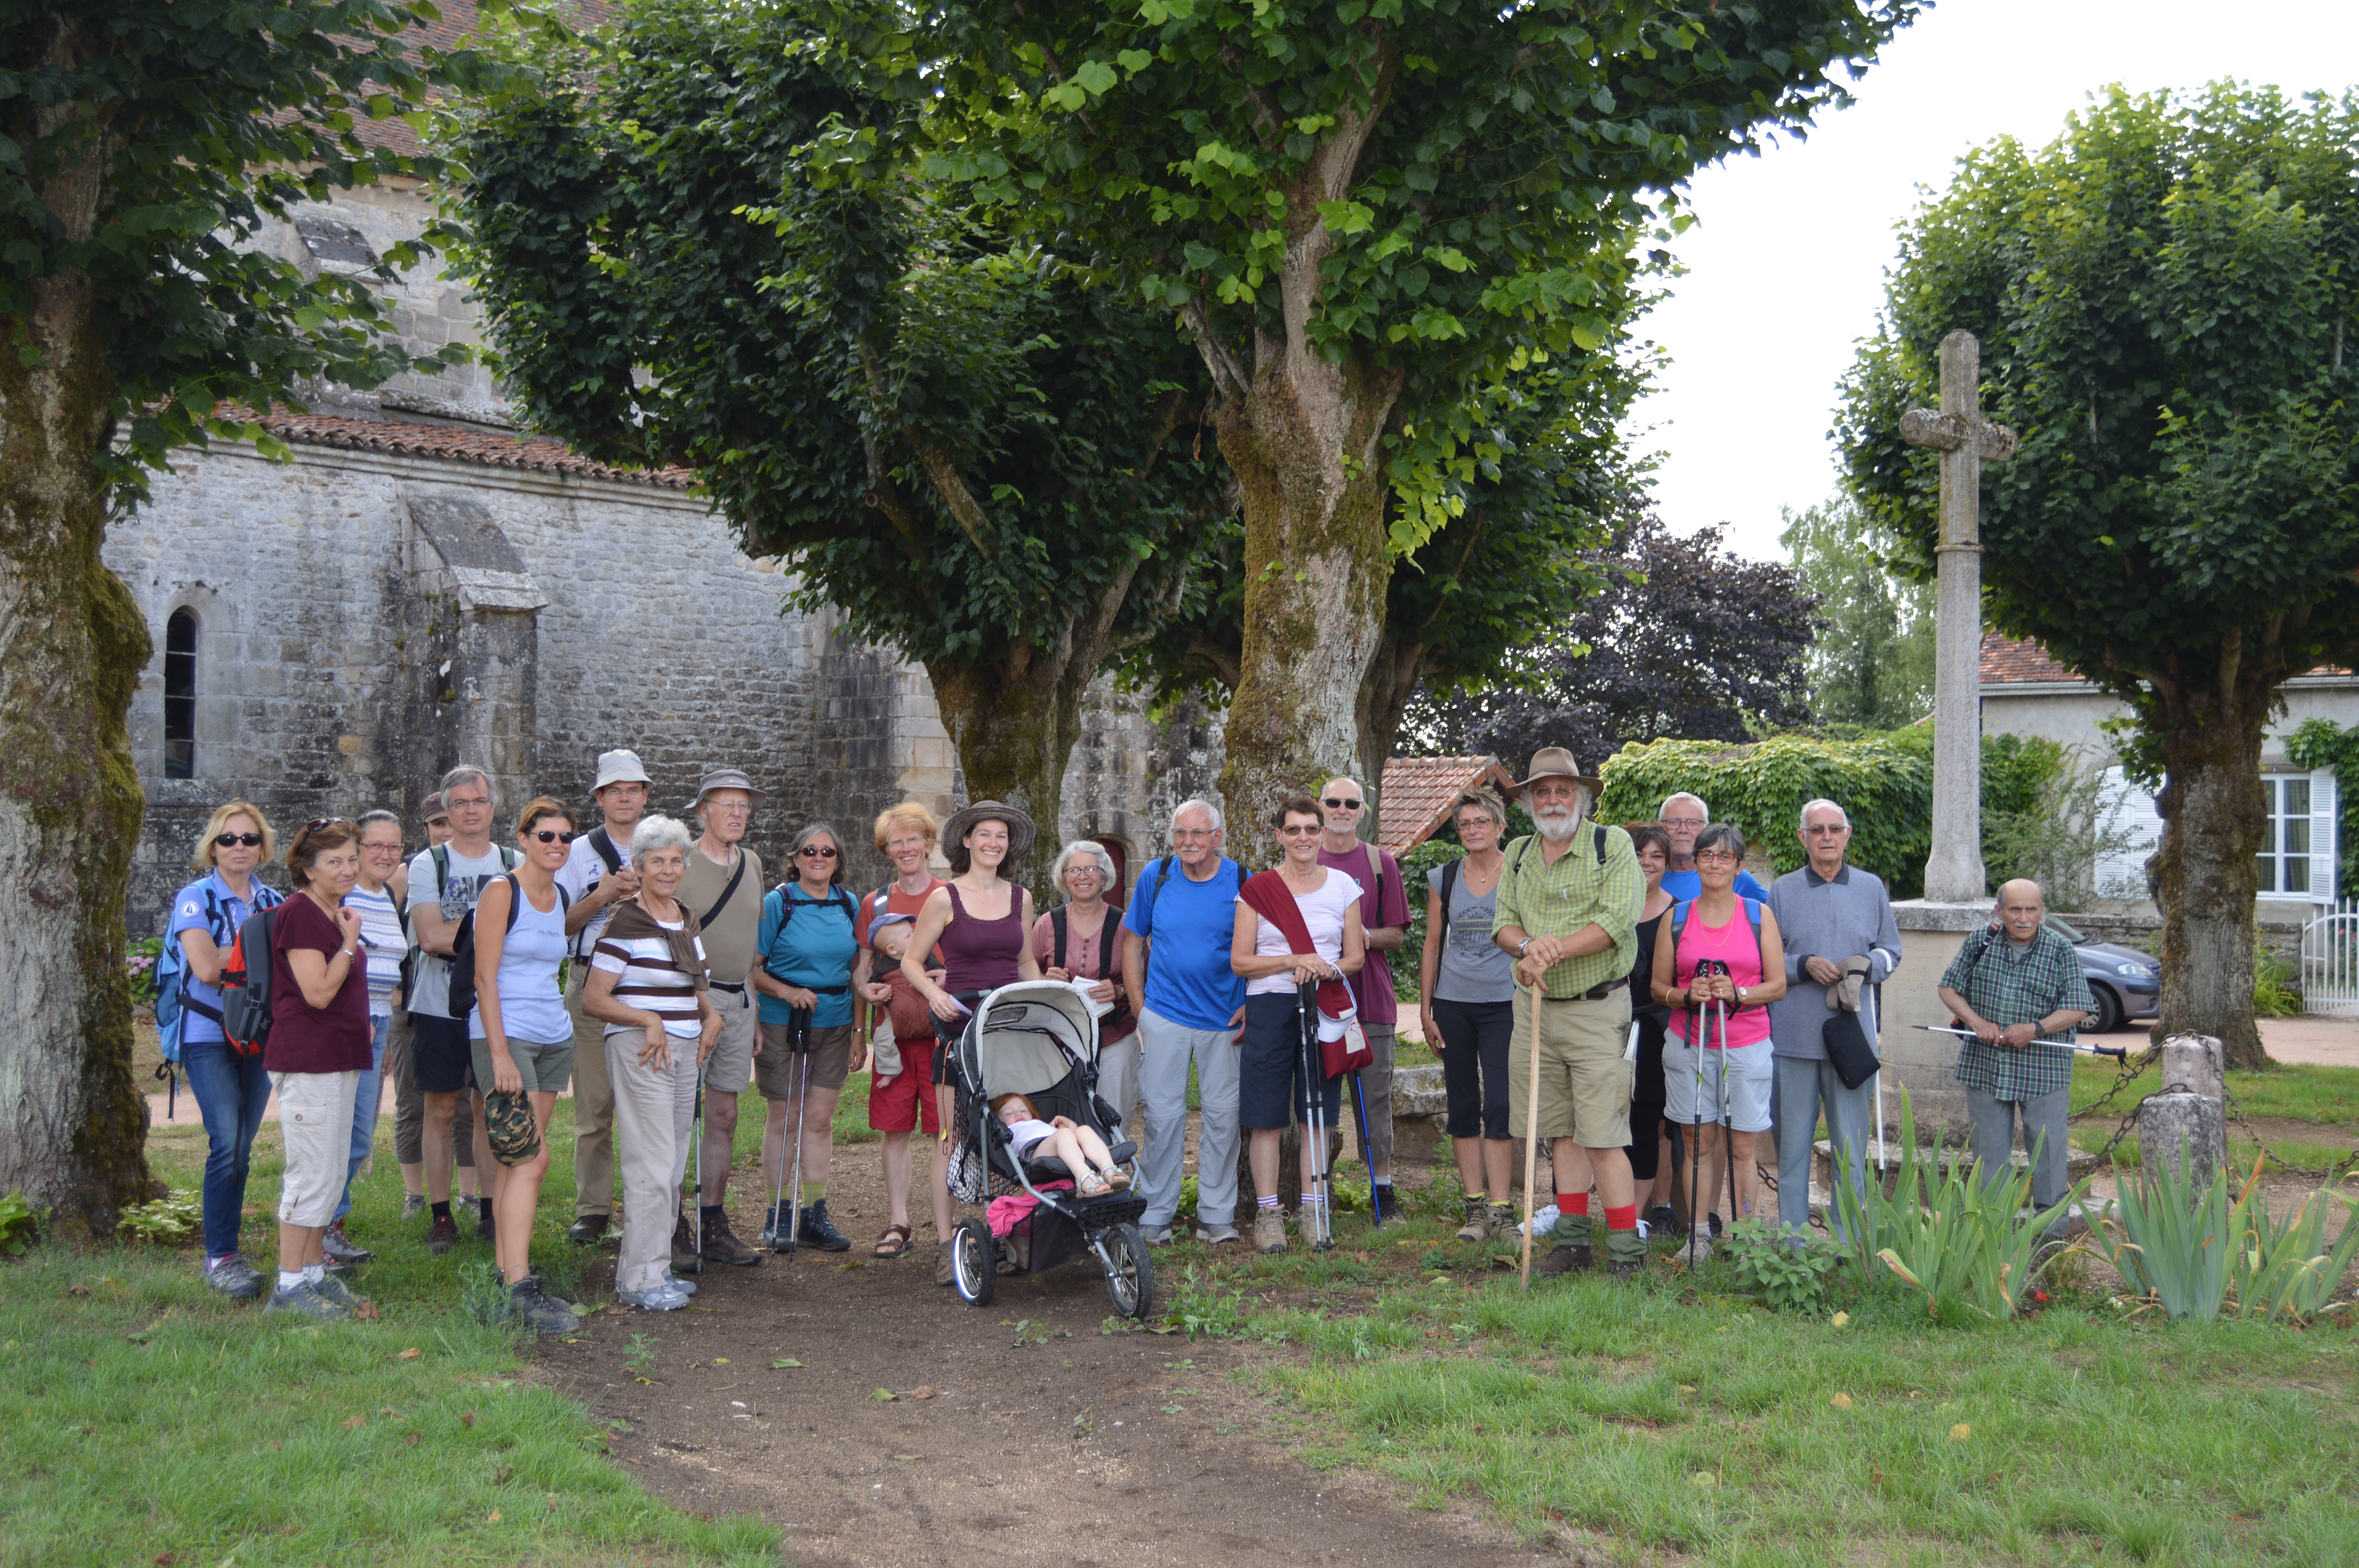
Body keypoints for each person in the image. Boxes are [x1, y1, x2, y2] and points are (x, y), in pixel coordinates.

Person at [1491, 748, 1647, 1279]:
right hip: (1535, 1010)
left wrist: (1550, 950)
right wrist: (1527, 946)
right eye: (1542, 791)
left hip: (1597, 1009)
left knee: (1602, 1134)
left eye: (1563, 790)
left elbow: (1618, 920)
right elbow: (1503, 924)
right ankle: (1574, 1244)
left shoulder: (1612, 844)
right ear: (1529, 801)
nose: (1553, 800)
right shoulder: (1517, 852)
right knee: (1559, 1132)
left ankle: (1626, 1250)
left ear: (1581, 797)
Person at [585, 815, 723, 1311]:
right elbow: (594, 998)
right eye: (657, 861)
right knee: (651, 1162)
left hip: (685, 1049)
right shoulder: (625, 920)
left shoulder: (683, 916)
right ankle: (640, 1279)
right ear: (638, 867)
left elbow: (696, 980)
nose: (667, 870)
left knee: (672, 1164)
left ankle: (654, 1269)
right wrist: (646, 1018)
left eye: (675, 861)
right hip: (643, 1049)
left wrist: (710, 1015)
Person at [905, 800, 1045, 1282]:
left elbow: (1024, 962)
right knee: (951, 1137)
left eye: (1001, 836)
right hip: (959, 1031)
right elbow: (910, 961)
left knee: (1016, 1129)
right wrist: (934, 994)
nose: (993, 843)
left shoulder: (1021, 898)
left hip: (1009, 1031)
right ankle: (947, 1245)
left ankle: (1013, 1231)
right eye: (984, 834)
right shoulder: (944, 898)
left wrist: (1046, 1001)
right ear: (966, 841)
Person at [466, 798, 582, 1334]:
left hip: (553, 1036)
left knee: (519, 1164)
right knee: (531, 1160)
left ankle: (505, 1274)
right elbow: (483, 978)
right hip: (507, 1036)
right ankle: (519, 1286)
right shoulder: (501, 891)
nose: (556, 845)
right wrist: (498, 1055)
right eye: (545, 836)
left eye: (564, 837)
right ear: (524, 838)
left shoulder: (560, 896)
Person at [1231, 796, 1367, 1254]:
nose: (1303, 837)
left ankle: (1313, 1210)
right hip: (1270, 1007)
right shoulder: (1256, 890)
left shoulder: (1344, 887)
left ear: (1323, 834)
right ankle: (1269, 1214)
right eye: (1293, 830)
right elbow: (1240, 961)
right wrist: (1293, 960)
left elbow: (1355, 956)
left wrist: (1325, 968)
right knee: (1266, 1115)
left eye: (1311, 829)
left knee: (1318, 1114)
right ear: (1279, 836)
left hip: (1323, 1006)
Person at [1767, 800, 1902, 1240]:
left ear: (1847, 835)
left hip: (1851, 1040)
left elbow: (1892, 951)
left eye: (1834, 829)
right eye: (1817, 829)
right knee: (1792, 1150)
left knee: (1850, 1148)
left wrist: (1867, 965)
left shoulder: (1871, 887)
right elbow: (1766, 958)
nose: (1826, 836)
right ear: (1802, 837)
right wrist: (1802, 964)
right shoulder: (1782, 890)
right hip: (1793, 1039)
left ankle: (1849, 1245)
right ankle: (1792, 1245)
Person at [1651, 822, 1789, 1236]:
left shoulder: (1758, 916)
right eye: (1707, 855)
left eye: (1725, 856)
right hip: (1689, 1043)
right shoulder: (1676, 917)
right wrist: (1685, 994)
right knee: (1697, 1142)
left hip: (1745, 1044)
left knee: (1743, 1147)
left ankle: (1746, 1236)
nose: (1715, 863)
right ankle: (1699, 1233)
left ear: (1739, 866)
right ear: (1695, 862)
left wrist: (1739, 992)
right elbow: (1658, 988)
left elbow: (1778, 986)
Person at [262, 819, 376, 1319]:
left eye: (352, 858)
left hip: (339, 1058)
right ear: (308, 870)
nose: (348, 869)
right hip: (309, 1062)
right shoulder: (300, 914)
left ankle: (311, 1273)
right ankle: (288, 1286)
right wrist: (350, 942)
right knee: (310, 1175)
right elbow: (319, 991)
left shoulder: (332, 912)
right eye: (334, 861)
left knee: (330, 1175)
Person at [170, 801, 284, 1299]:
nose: (240, 847)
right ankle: (220, 1257)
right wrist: (258, 955)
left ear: (262, 846)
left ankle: (228, 1251)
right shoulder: (195, 897)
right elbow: (204, 968)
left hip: (258, 1035)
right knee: (228, 1143)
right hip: (207, 1035)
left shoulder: (274, 900)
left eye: (250, 838)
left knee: (242, 1148)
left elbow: (288, 966)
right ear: (212, 847)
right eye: (228, 839)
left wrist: (232, 956)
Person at [1121, 800, 1247, 1247]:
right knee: (1161, 1118)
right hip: (1164, 1015)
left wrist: (1251, 1003)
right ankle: (1155, 1215)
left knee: (1223, 1119)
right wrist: (1140, 1008)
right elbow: (1132, 943)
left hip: (1225, 1019)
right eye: (1180, 833)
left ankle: (1216, 1217)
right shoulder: (1156, 875)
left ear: (1217, 837)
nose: (1188, 842)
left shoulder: (1243, 880)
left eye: (1198, 833)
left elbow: (1263, 946)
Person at [1937, 878, 2092, 1228]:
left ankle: (2051, 1235)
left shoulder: (2059, 948)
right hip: (1986, 1064)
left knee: (2049, 1155)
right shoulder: (1981, 941)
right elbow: (1948, 988)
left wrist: (2035, 1029)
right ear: (1999, 911)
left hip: (2044, 1070)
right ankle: (1993, 1233)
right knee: (1989, 1156)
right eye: (2015, 909)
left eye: (2031, 910)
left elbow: (2079, 1006)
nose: (2024, 918)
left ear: (2042, 911)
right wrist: (1976, 1022)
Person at [405, 766, 516, 1253]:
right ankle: (440, 1213)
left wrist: (467, 936)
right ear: (447, 811)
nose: (472, 810)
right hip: (439, 1004)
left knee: (489, 1106)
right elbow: (430, 936)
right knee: (441, 1108)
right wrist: (493, 935)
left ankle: (490, 1210)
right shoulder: (428, 864)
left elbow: (529, 932)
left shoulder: (513, 862)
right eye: (461, 803)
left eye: (480, 800)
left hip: (497, 1004)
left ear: (493, 807)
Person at [751, 821, 866, 1253]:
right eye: (810, 851)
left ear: (838, 861)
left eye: (827, 852)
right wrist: (787, 993)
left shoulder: (848, 904)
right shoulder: (777, 903)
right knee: (785, 1117)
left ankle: (814, 1215)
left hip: (835, 1024)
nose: (819, 858)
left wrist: (859, 1032)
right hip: (783, 1023)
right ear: (796, 858)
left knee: (819, 1119)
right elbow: (752, 968)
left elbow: (858, 973)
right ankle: (778, 1212)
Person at [1417, 789, 1519, 1243]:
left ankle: (1501, 1210)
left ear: (1500, 827)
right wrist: (1426, 1010)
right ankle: (1475, 1208)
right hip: (1453, 1003)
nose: (1473, 830)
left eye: (1482, 822)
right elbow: (1432, 944)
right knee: (1462, 1104)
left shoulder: (1519, 873)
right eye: (1465, 824)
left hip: (1504, 1004)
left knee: (1500, 1104)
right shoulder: (1444, 876)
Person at [676, 768, 769, 1266]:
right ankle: (672, 1222)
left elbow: (749, 944)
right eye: (726, 805)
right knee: (678, 1114)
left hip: (739, 1000)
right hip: (691, 999)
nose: (737, 814)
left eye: (744, 806)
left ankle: (712, 1221)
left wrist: (753, 1011)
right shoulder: (681, 862)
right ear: (703, 811)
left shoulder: (752, 862)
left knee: (724, 1114)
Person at [558, 749, 650, 1245]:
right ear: (599, 798)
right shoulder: (575, 853)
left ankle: (648, 1204)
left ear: (645, 795)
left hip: (648, 983)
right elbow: (557, 924)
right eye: (615, 790)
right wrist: (603, 895)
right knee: (594, 1107)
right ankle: (593, 1209)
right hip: (590, 978)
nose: (624, 798)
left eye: (633, 789)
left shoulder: (662, 844)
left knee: (648, 1107)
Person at [1314, 777, 1411, 1221]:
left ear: (1362, 811)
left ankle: (1382, 1193)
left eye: (1351, 804)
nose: (1342, 809)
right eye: (1334, 802)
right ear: (1321, 806)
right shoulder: (1305, 859)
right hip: (1316, 1002)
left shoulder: (1379, 862)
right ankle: (1316, 1194)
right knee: (1317, 1102)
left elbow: (1397, 934)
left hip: (1370, 1000)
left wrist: (1360, 936)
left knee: (1374, 1100)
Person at [386, 790, 479, 1220]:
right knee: (414, 1100)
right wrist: (395, 992)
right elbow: (383, 936)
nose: (446, 829)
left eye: (450, 819)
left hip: (466, 999)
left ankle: (469, 1193)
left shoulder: (489, 864)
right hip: (415, 1000)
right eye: (438, 823)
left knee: (466, 1104)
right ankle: (414, 1194)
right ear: (425, 828)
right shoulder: (409, 873)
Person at [322, 808, 407, 1269]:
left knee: (358, 1134)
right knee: (334, 1132)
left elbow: (387, 974)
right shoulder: (343, 896)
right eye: (375, 846)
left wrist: (386, 1034)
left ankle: (332, 1226)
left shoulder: (386, 894)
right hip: (344, 1024)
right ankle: (316, 1232)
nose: (385, 854)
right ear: (357, 850)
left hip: (377, 1027)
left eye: (394, 846)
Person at [864, 913, 955, 1259]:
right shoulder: (875, 901)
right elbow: (860, 969)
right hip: (895, 1048)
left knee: (943, 1132)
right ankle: (898, 1221)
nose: (914, 933)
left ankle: (946, 1224)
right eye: (906, 933)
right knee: (895, 1129)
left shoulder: (949, 898)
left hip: (937, 1043)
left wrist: (946, 978)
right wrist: (866, 991)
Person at [1034, 839, 1135, 1132]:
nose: (1083, 876)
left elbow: (1148, 977)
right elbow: (1023, 971)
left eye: (1091, 869)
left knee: (1114, 1120)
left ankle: (1114, 1163)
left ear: (1104, 877)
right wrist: (1044, 980)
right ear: (1064, 878)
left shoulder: (1125, 925)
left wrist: (1120, 991)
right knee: (1061, 1121)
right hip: (1058, 1041)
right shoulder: (1047, 924)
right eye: (1074, 870)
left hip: (1114, 1037)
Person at [1619, 824, 1679, 1232]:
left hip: (1656, 1027)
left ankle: (1637, 1217)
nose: (1647, 862)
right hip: (1608, 1022)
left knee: (1649, 1121)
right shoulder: (1610, 905)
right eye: (1639, 854)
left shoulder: (1679, 913)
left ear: (1667, 863)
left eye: (1656, 856)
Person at [991, 1094, 1133, 1196]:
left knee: (1084, 1130)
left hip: (1062, 1144)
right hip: (1034, 1152)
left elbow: (1072, 1139)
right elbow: (1063, 1138)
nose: (1018, 1114)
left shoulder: (1041, 1125)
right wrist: (1064, 1133)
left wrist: (1072, 1126)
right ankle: (1085, 1179)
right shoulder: (1009, 1131)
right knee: (1064, 1134)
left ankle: (1109, 1171)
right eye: (1008, 1113)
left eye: (1023, 1110)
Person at [1656, 793, 1770, 905]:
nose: (1683, 830)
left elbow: (1774, 908)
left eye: (1692, 823)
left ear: (1706, 829)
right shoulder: (1651, 877)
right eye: (1674, 822)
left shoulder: (1733, 876)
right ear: (1660, 827)